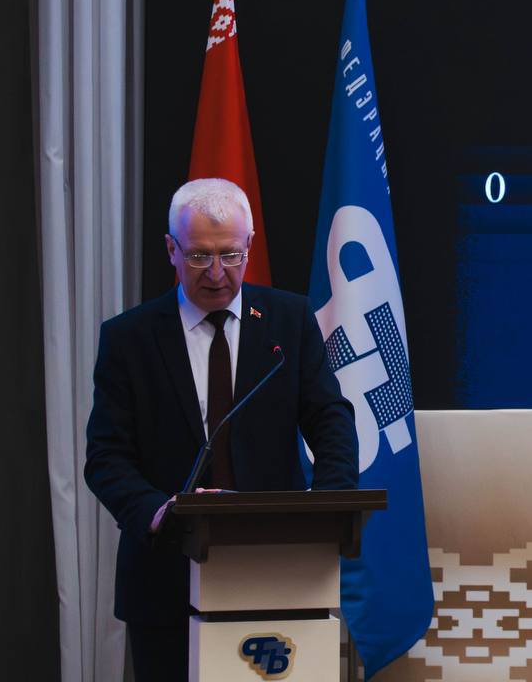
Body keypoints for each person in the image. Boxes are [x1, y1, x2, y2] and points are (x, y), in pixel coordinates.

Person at [85, 178, 358, 682]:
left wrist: (328, 505)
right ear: (171, 250)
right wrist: (156, 512)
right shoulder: (128, 338)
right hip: (165, 577)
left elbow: (330, 419)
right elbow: (106, 457)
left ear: (249, 245)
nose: (216, 273)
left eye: (231, 255)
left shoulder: (288, 321)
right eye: (198, 256)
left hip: (277, 567)